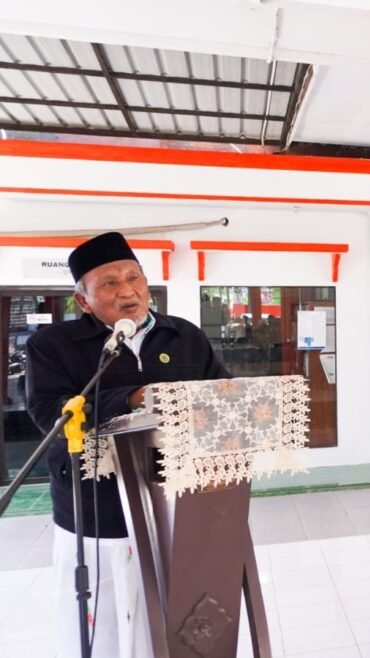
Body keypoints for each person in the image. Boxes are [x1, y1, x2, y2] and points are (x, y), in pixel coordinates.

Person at [24, 231, 231, 658]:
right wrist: (131, 398)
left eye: (133, 278)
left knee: (174, 623)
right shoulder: (53, 346)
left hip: (177, 505)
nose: (127, 291)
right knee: (105, 629)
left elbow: (221, 396)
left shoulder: (185, 336)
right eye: (109, 283)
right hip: (99, 515)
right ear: (83, 301)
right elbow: (50, 414)